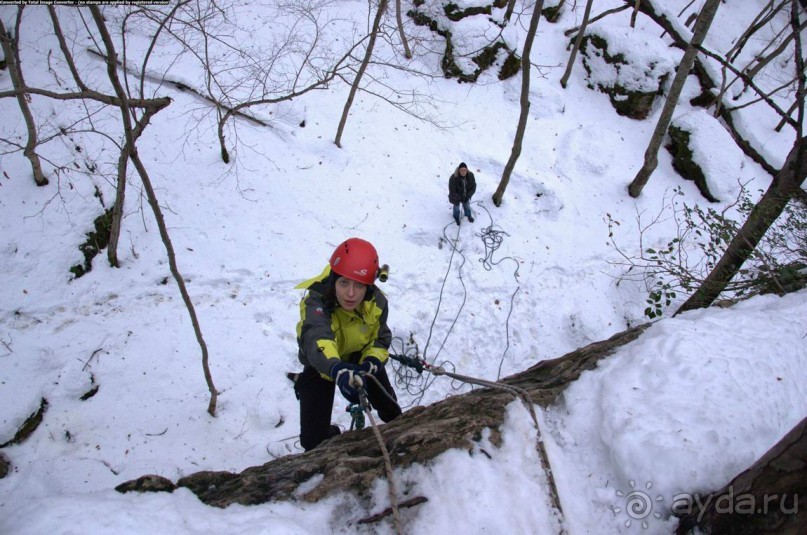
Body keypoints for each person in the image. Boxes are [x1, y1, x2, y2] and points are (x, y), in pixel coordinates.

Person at [292, 237, 402, 451]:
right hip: (323, 365)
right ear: (333, 281)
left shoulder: (377, 302)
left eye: (359, 285)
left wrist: (370, 362)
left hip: (361, 359)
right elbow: (317, 337)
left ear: (368, 286)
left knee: (392, 411)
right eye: (343, 283)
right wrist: (336, 368)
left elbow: (380, 340)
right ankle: (329, 435)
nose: (350, 294)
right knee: (312, 441)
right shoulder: (316, 301)